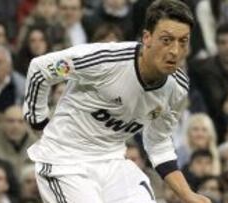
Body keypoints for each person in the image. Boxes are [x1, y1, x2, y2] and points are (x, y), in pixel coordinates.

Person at [23, 0, 210, 202]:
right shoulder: (104, 61)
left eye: (183, 41)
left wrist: (187, 194)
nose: (175, 50)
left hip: (113, 162)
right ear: (147, 38)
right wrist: (38, 122)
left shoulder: (177, 88)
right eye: (166, 40)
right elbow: (41, 70)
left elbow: (158, 143)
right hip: (65, 162)